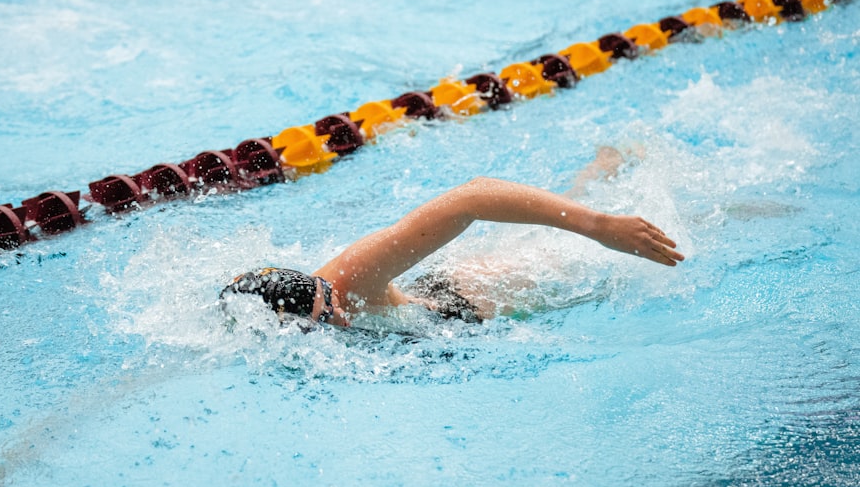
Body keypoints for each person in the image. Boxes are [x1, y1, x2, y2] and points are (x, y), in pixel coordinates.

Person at [221, 148, 685, 327]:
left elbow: (473, 195)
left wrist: (600, 227)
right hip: (432, 304)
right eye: (321, 325)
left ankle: (609, 180)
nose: (336, 324)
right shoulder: (266, 321)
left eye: (329, 315)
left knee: (571, 259)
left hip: (468, 298)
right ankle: (592, 179)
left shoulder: (349, 279)